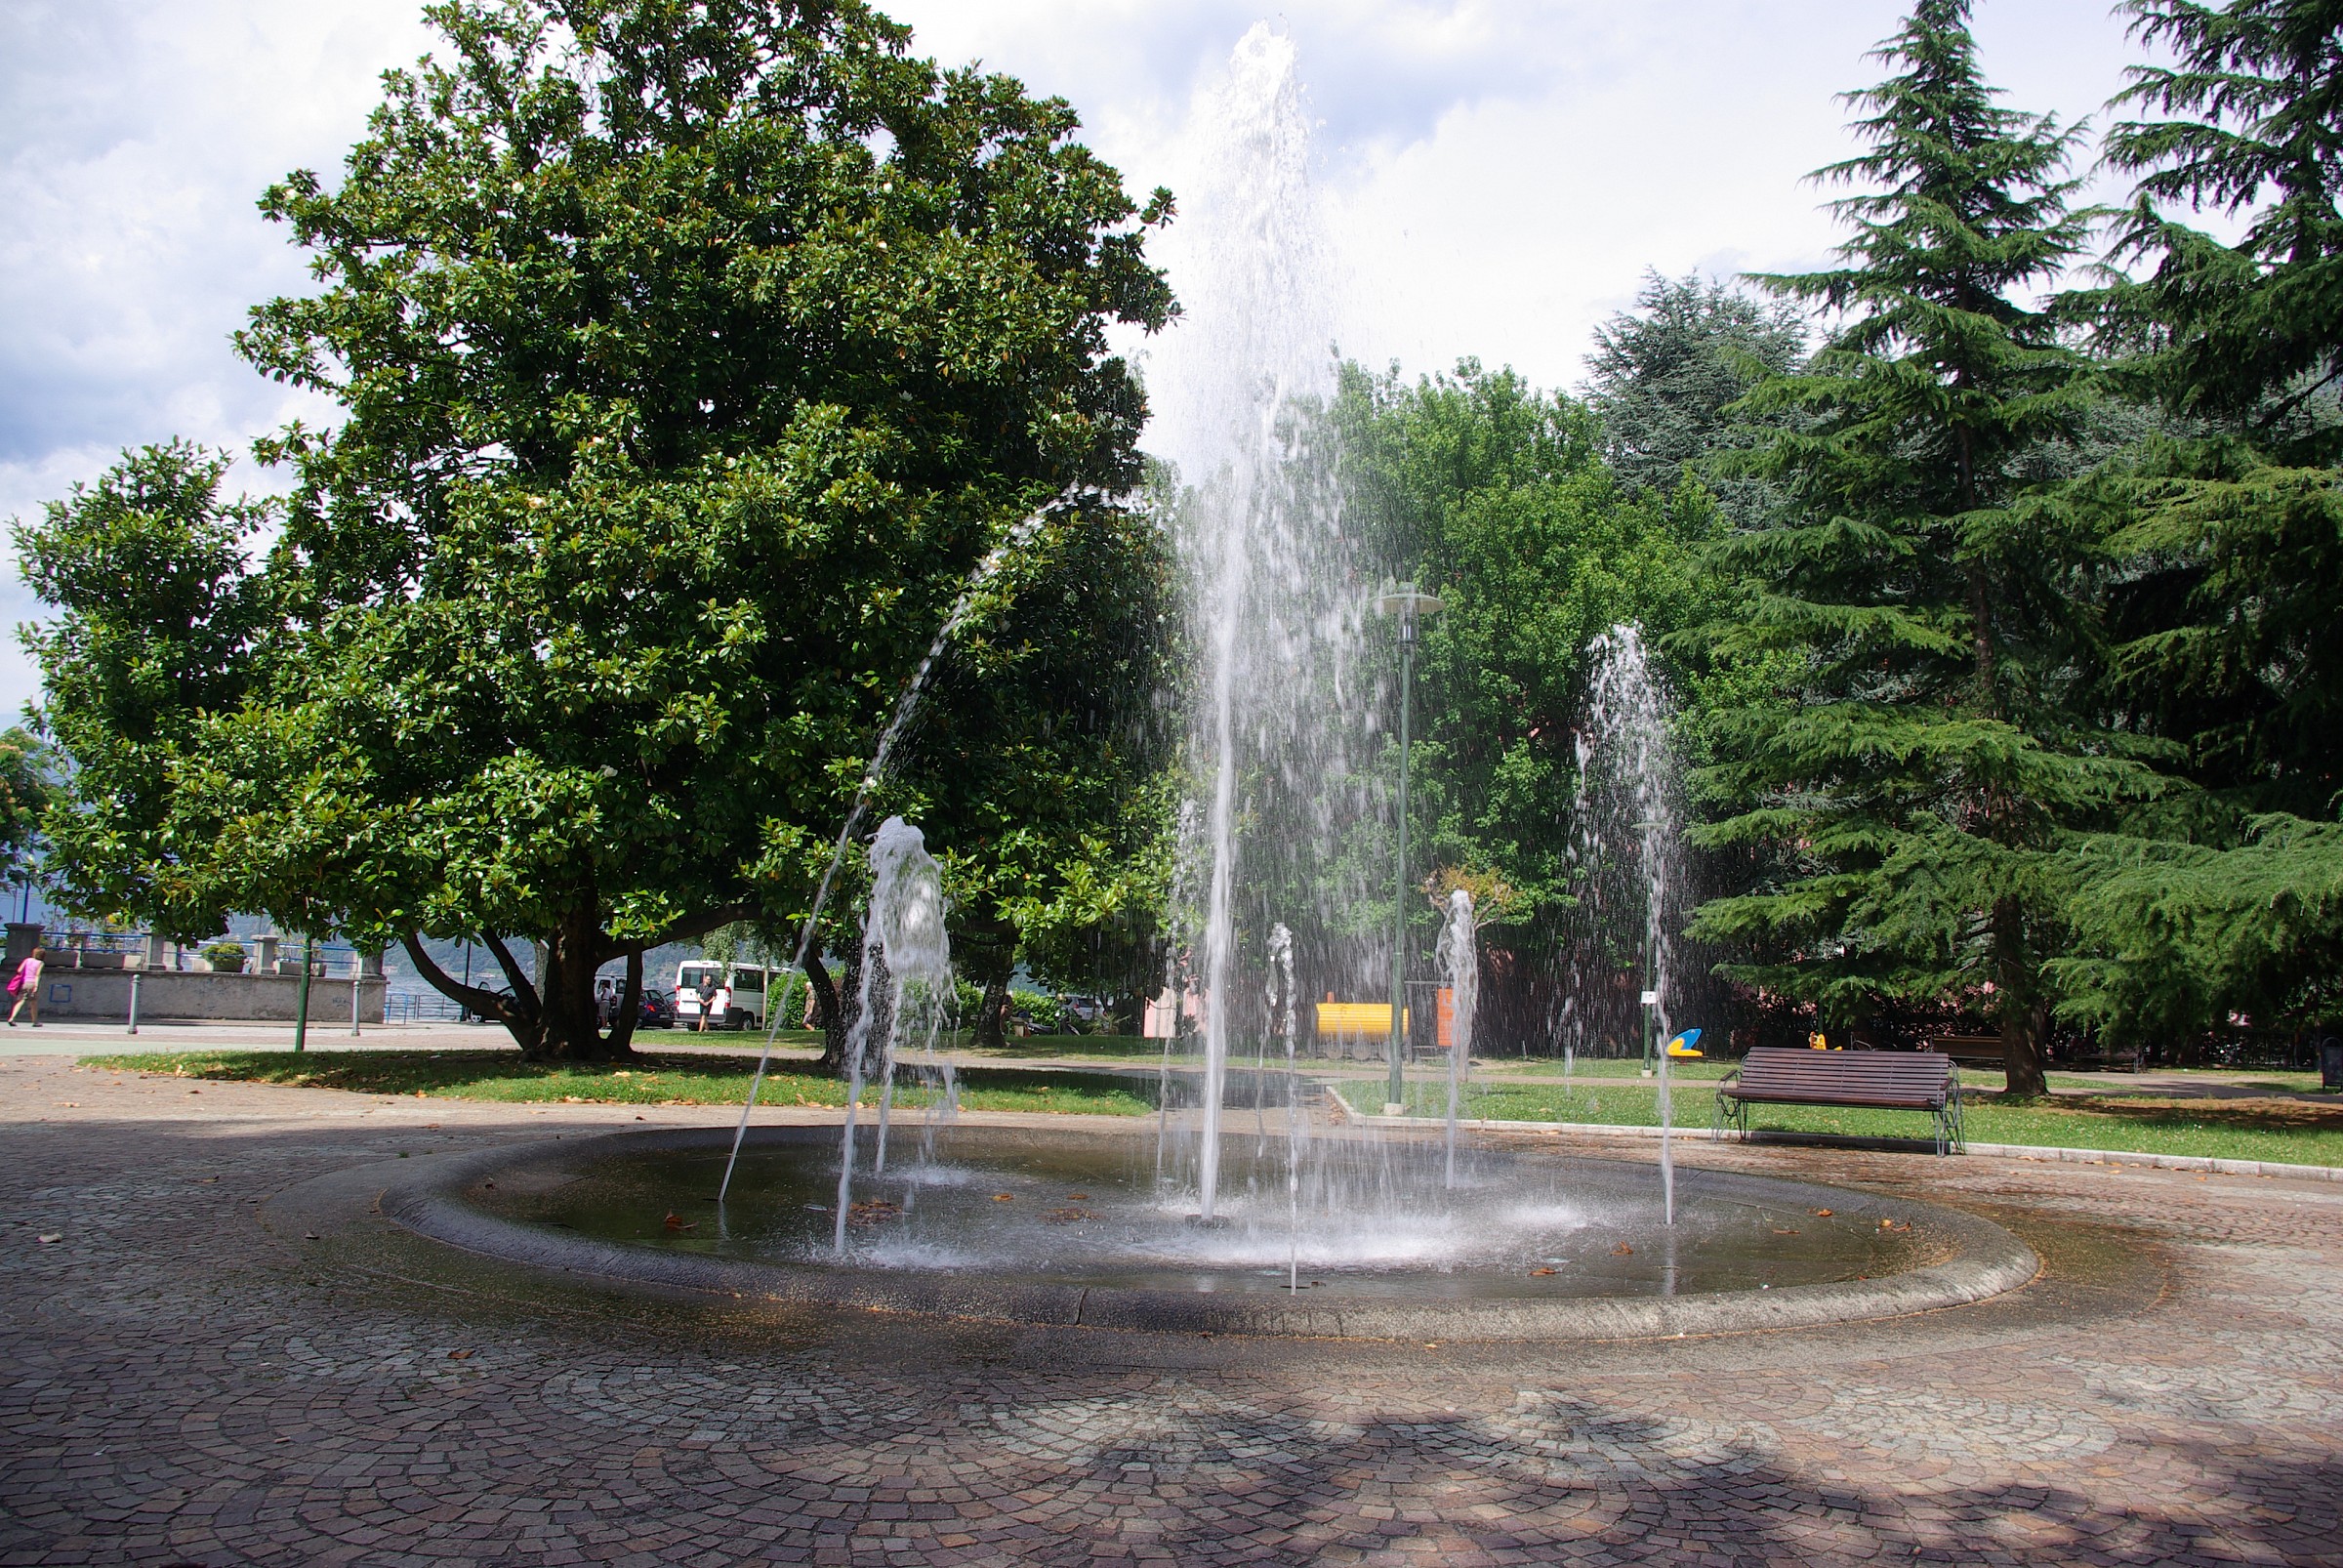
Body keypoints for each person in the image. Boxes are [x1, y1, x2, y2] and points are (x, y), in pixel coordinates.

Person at [7, 947, 45, 1027]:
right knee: (33, 1003)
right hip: (32, 983)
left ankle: (11, 1018)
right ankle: (35, 1022)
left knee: (20, 1001)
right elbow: (37, 975)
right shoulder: (40, 963)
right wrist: (36, 986)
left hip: (24, 983)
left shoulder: (27, 960)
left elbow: (19, 970)